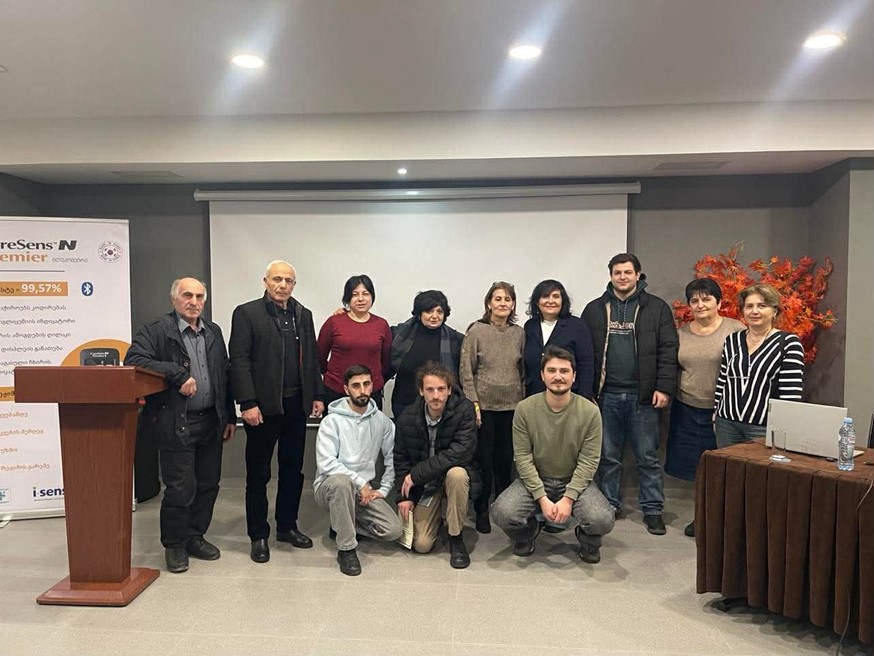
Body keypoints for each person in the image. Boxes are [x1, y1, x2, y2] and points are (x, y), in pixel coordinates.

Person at [124, 278, 236, 573]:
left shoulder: (213, 331)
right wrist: (176, 373)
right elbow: (134, 359)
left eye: (199, 296)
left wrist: (229, 416)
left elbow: (224, 375)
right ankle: (174, 544)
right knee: (180, 488)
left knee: (208, 484)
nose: (194, 302)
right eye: (187, 295)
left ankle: (194, 536)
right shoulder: (157, 330)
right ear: (174, 299)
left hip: (211, 422)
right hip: (176, 422)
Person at [229, 260, 325, 563]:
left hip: (296, 406)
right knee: (258, 473)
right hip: (262, 408)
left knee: (292, 470)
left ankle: (287, 526)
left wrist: (317, 395)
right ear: (266, 281)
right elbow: (239, 360)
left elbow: (312, 360)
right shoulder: (247, 313)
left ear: (294, 285)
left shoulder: (303, 314)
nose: (283, 285)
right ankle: (258, 535)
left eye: (288, 281)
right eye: (277, 279)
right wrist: (247, 402)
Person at [581, 253, 678, 535]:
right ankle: (609, 505)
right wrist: (587, 392)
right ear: (610, 276)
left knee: (647, 457)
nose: (622, 277)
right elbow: (585, 354)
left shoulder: (656, 308)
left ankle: (653, 509)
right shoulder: (595, 309)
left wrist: (664, 387)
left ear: (638, 275)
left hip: (643, 397)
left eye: (627, 272)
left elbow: (668, 349)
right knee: (608, 457)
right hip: (606, 396)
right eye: (617, 272)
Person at [491, 346, 614, 563]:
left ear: (574, 376)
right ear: (542, 375)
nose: (558, 376)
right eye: (552, 370)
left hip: (574, 481)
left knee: (602, 519)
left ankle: (588, 539)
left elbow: (589, 461)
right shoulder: (525, 409)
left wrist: (568, 499)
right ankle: (527, 532)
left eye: (564, 371)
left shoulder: (590, 412)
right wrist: (542, 498)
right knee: (502, 512)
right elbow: (523, 458)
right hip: (535, 480)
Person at [664, 278, 744, 537]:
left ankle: (724, 521)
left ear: (719, 302)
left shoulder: (735, 330)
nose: (700, 305)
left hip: (723, 411)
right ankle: (702, 517)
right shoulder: (681, 333)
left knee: (722, 469)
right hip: (687, 408)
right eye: (694, 300)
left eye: (706, 299)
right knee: (695, 469)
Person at [313, 365, 402, 576]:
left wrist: (384, 488)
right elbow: (326, 463)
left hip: (364, 493)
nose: (362, 390)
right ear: (346, 389)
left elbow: (393, 457)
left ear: (372, 386)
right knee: (342, 483)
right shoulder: (331, 421)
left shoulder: (381, 421)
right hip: (330, 486)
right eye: (356, 386)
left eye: (366, 384)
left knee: (393, 530)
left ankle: (342, 523)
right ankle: (346, 549)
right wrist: (360, 482)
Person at [394, 361, 480, 569]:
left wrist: (416, 474)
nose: (436, 396)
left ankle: (456, 537)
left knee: (457, 474)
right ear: (421, 391)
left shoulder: (465, 410)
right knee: (421, 545)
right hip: (427, 485)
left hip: (453, 478)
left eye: (441, 389)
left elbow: (460, 452)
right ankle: (437, 518)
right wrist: (405, 497)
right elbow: (400, 459)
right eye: (430, 390)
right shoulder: (407, 417)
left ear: (449, 390)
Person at [459, 281, 524, 534]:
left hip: (512, 408)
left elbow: (523, 370)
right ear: (489, 303)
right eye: (498, 299)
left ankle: (505, 509)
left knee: (505, 460)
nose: (503, 303)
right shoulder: (476, 331)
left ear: (513, 304)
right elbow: (466, 371)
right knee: (484, 461)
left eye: (508, 299)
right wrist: (473, 404)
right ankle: (481, 510)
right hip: (484, 408)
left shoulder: (519, 333)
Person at [714, 283, 805, 446]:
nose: (754, 311)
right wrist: (716, 412)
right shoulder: (732, 340)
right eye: (749, 306)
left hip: (764, 427)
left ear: (774, 311)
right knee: (726, 463)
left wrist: (785, 427)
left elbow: (791, 392)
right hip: (726, 424)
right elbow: (723, 381)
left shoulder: (788, 343)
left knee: (760, 464)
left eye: (762, 306)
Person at [317, 275, 392, 410]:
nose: (361, 299)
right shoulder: (334, 322)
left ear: (372, 297)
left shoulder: (381, 324)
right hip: (336, 392)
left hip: (370, 394)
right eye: (355, 294)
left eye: (365, 294)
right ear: (347, 298)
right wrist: (334, 376)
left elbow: (386, 361)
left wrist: (374, 381)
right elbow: (319, 357)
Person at [390, 290, 464, 419]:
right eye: (429, 311)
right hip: (404, 402)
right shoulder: (399, 334)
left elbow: (460, 377)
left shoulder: (455, 340)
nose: (435, 316)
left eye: (439, 312)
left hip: (439, 405)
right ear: (419, 314)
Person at [522, 279, 594, 399]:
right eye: (545, 296)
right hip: (534, 395)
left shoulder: (577, 326)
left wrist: (584, 397)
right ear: (537, 302)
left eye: (556, 296)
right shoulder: (530, 326)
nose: (551, 301)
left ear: (563, 301)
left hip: (568, 396)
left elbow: (586, 365)